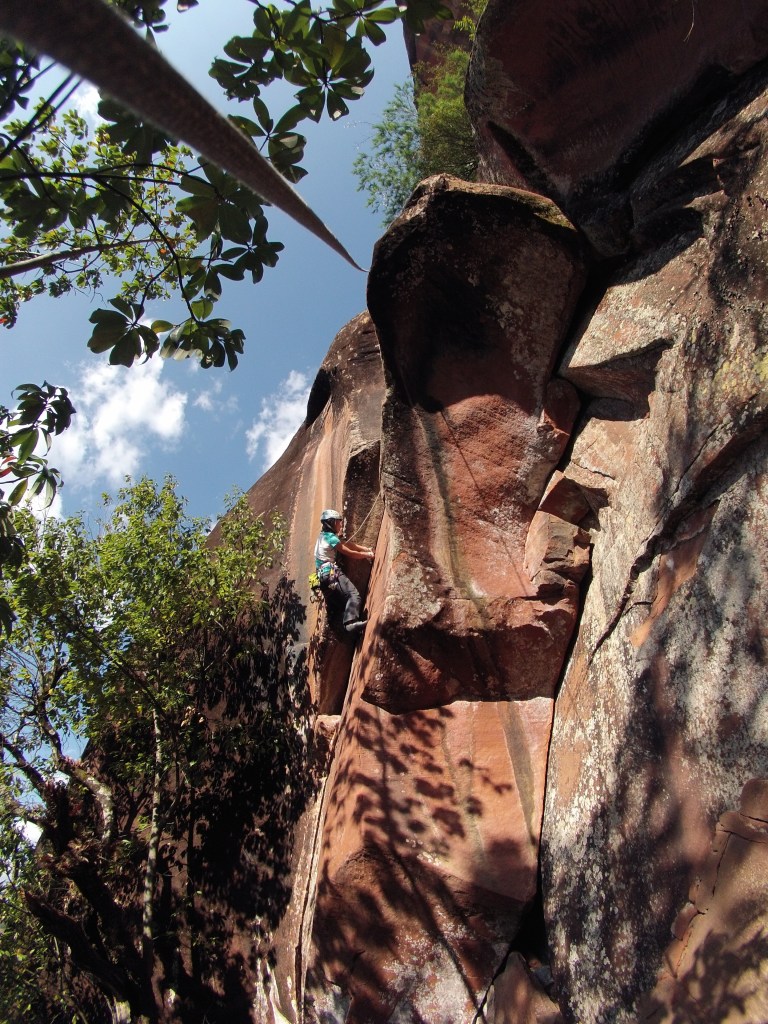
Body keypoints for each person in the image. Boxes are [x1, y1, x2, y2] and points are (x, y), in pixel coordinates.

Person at [314, 508, 374, 634]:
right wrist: (367, 555)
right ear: (331, 522)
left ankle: (351, 625)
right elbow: (349, 552)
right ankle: (350, 623)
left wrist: (366, 549)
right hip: (329, 572)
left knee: (342, 603)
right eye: (338, 522)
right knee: (353, 595)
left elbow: (347, 544)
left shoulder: (324, 536)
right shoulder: (330, 538)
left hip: (321, 578)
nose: (340, 524)